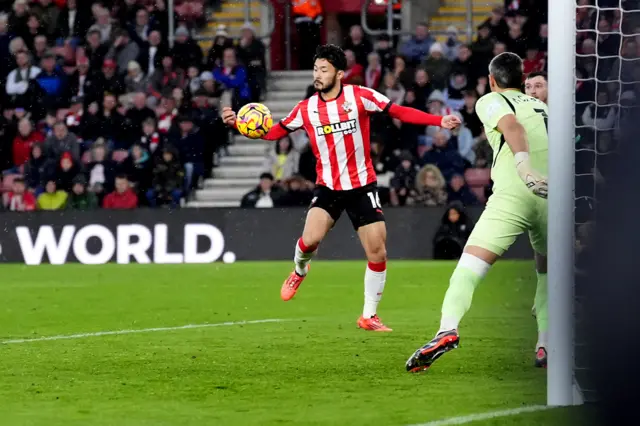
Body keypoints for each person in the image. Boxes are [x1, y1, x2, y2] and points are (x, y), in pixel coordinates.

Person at [222, 44, 460, 331]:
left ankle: (368, 316)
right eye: (315, 69)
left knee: (378, 252)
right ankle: (299, 270)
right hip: (329, 188)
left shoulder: (359, 97)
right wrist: (239, 126)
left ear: (339, 73)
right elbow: (274, 132)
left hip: (362, 186)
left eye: (323, 70)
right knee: (309, 240)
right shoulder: (306, 108)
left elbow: (399, 112)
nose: (317, 75)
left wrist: (439, 121)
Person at [405, 52, 548, 372]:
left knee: (469, 267)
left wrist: (524, 166)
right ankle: (546, 344)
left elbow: (512, 128)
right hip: (553, 197)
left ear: (493, 80)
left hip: (515, 193)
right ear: (522, 80)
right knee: (546, 273)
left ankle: (447, 330)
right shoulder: (545, 107)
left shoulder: (491, 101)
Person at [523, 70, 549, 368]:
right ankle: (543, 342)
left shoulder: (562, 118)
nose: (532, 90)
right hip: (537, 200)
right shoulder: (520, 118)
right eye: (528, 86)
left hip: (571, 196)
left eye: (538, 85)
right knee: (544, 267)